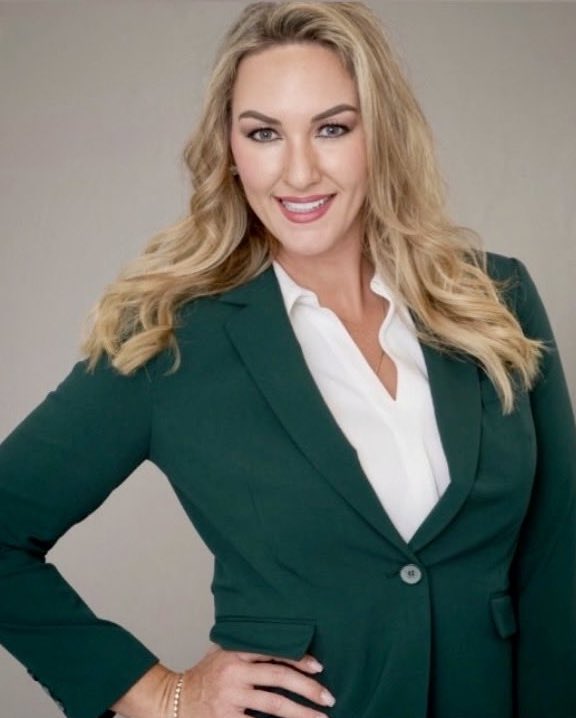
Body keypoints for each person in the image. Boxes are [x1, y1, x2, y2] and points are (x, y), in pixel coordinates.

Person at [1, 1, 575, 717]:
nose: (299, 172)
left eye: (332, 128)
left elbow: (558, 564)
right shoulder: (171, 339)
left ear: (382, 135)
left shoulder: (496, 300)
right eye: (264, 133)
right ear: (230, 151)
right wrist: (165, 695)